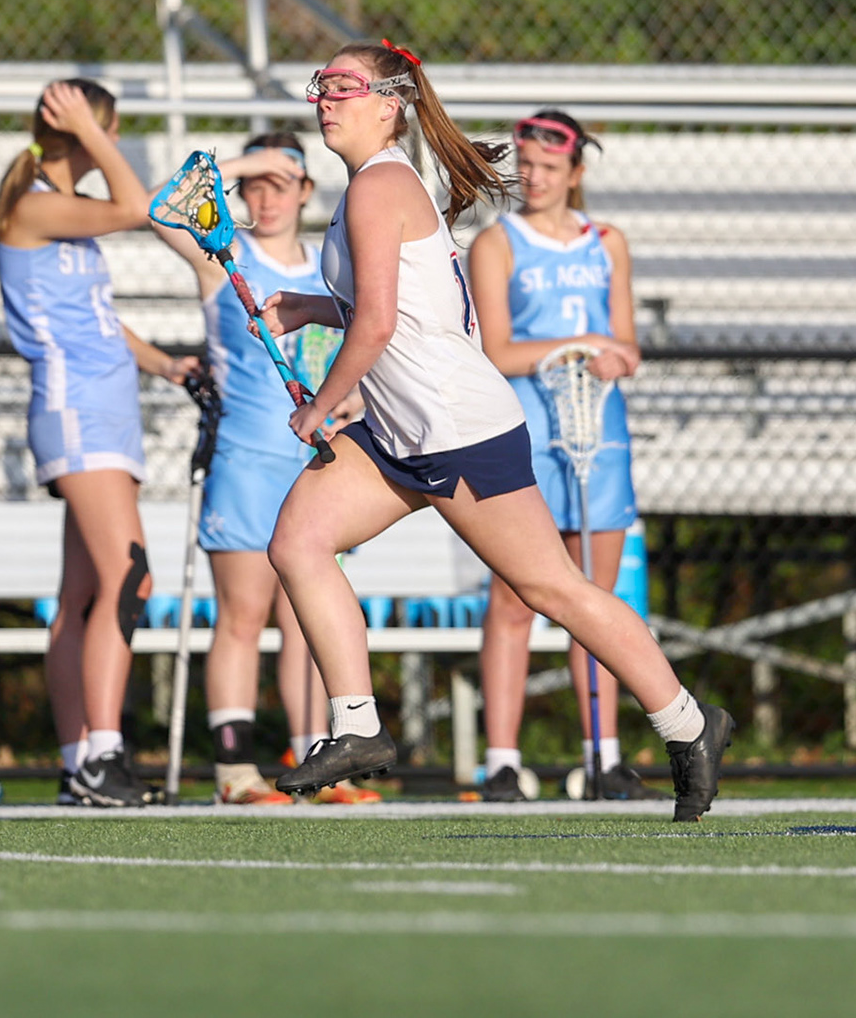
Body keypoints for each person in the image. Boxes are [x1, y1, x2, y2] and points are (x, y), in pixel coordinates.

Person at [260, 41, 732, 822]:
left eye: (342, 87)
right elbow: (399, 307)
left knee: (552, 590)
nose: (324, 100)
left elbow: (378, 325)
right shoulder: (367, 190)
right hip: (400, 432)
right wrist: (313, 307)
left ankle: (689, 725)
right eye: (319, 87)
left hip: (456, 428)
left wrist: (319, 407)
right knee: (299, 543)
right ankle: (357, 728)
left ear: (390, 103)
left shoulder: (379, 185)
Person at [152, 131, 376, 806]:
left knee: (307, 618)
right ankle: (234, 773)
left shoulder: (331, 267)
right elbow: (157, 204)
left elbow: (367, 344)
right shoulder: (224, 255)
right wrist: (245, 165)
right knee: (242, 616)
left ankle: (321, 756)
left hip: (314, 462)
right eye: (254, 186)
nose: (266, 197)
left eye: (283, 183)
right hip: (247, 459)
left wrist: (350, 404)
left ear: (308, 192)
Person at [0, 78, 171, 808]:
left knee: (83, 595)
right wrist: (94, 135)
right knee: (132, 578)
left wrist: (165, 363)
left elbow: (94, 316)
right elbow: (140, 207)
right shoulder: (34, 204)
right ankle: (103, 753)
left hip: (108, 410)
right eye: (108, 129)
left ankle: (77, 762)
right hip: (78, 414)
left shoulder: (59, 214)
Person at [467, 108, 655, 803]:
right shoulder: (498, 243)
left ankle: (602, 753)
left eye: (550, 168)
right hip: (524, 435)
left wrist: (616, 359)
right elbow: (496, 349)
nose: (535, 179)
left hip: (597, 435)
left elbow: (627, 342)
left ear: (575, 173)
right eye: (528, 165)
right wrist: (572, 352)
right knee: (514, 598)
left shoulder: (607, 242)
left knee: (593, 599)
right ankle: (504, 760)